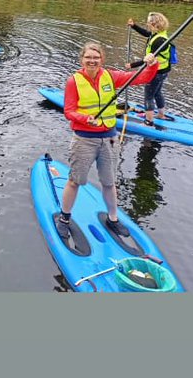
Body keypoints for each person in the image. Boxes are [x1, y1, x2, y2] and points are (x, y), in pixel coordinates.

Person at [55, 40, 160, 243]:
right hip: (84, 139)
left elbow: (144, 77)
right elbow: (69, 111)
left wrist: (152, 64)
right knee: (75, 181)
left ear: (102, 59)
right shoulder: (73, 81)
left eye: (96, 57)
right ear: (82, 59)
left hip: (110, 138)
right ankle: (65, 218)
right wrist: (85, 119)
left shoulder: (111, 76)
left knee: (109, 183)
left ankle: (113, 218)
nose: (92, 61)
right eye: (88, 57)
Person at [127, 12, 174, 125]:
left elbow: (148, 59)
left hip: (156, 72)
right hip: (163, 70)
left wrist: (132, 65)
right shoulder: (158, 34)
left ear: (154, 24)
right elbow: (146, 33)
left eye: (148, 22)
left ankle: (149, 121)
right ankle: (161, 115)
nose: (147, 24)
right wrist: (134, 26)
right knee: (157, 92)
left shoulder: (159, 41)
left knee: (148, 96)